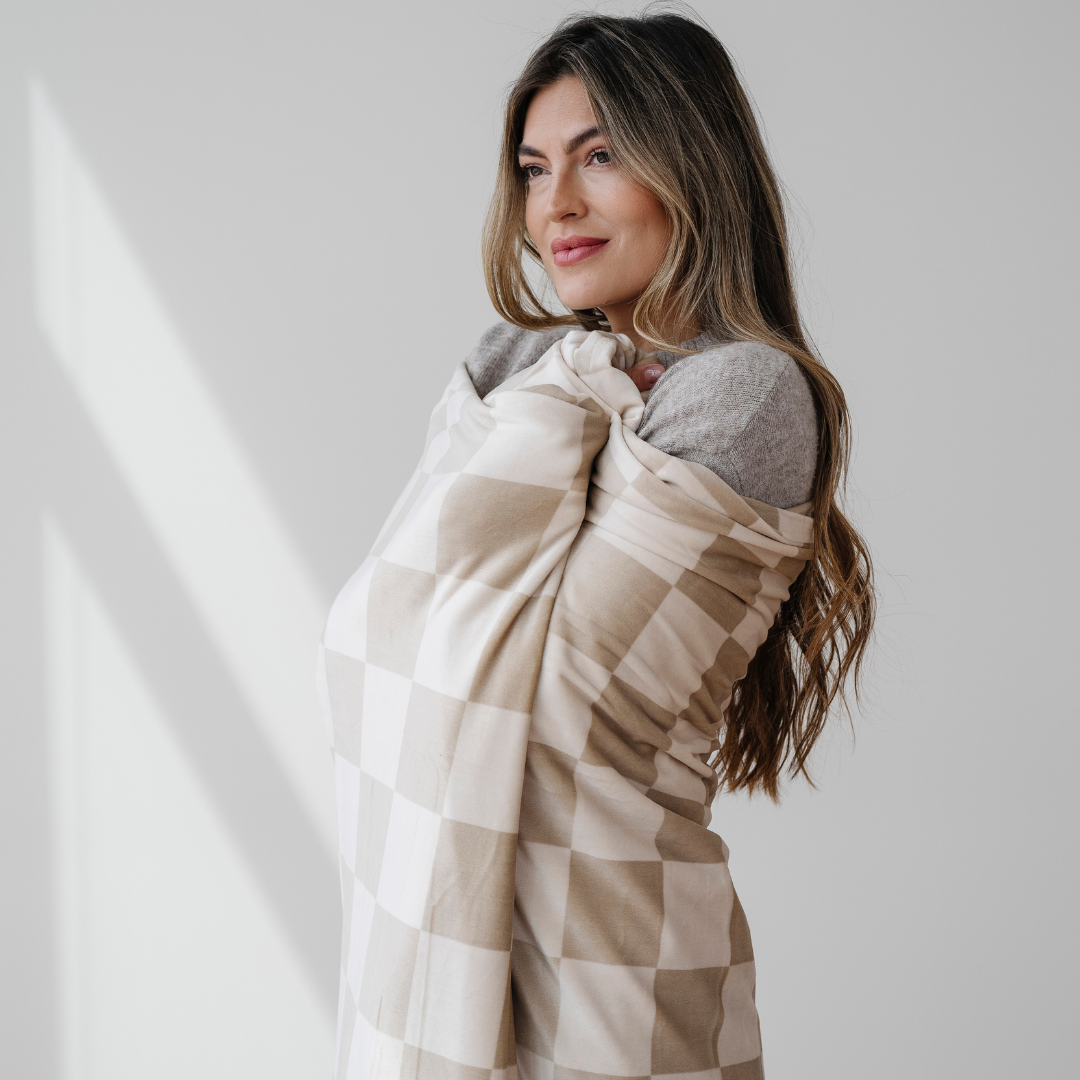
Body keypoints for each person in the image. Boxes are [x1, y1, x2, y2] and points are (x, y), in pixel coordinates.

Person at [320, 10, 874, 1080]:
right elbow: (380, 632)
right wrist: (576, 385)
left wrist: (558, 403)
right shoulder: (521, 366)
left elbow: (558, 683)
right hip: (449, 970)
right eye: (534, 169)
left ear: (692, 165)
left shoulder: (744, 394)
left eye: (601, 155)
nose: (555, 205)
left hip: (618, 987)